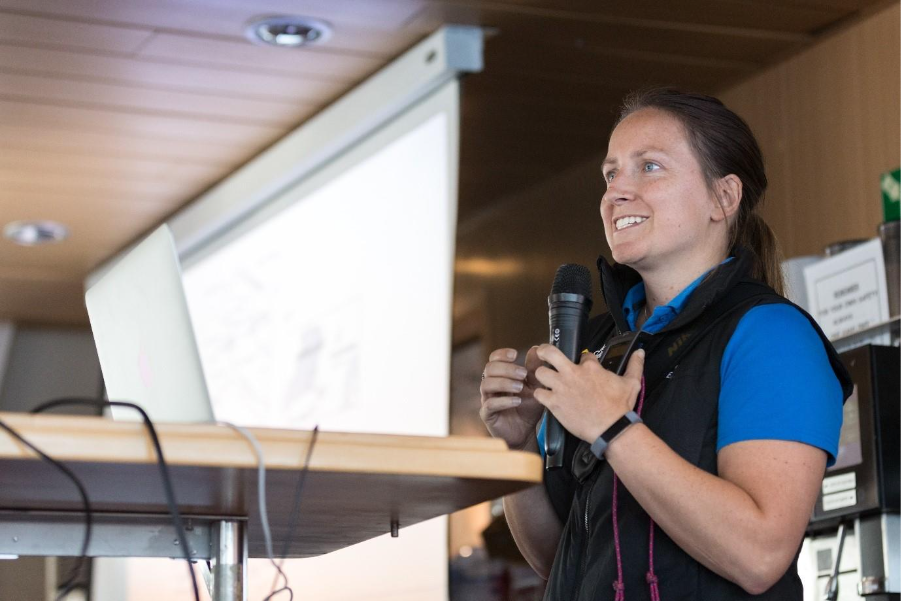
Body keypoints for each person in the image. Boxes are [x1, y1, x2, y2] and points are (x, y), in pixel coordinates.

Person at [478, 88, 852, 600]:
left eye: (649, 167)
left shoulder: (771, 335)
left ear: (724, 197)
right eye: (611, 174)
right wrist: (518, 445)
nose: (616, 192)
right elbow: (556, 559)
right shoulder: (598, 347)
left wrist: (613, 429)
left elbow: (759, 555)